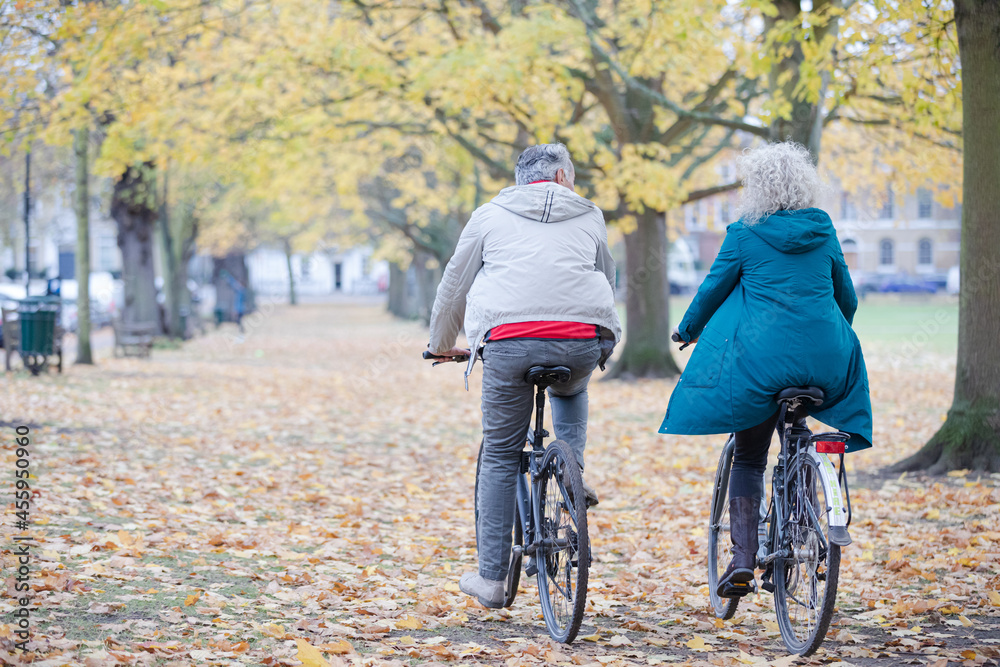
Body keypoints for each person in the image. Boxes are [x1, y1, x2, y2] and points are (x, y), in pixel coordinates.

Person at [659, 141, 873, 597]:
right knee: (799, 434)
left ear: (758, 188)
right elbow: (847, 298)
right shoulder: (824, 228)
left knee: (751, 453)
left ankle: (741, 560)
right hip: (826, 357)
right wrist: (829, 334)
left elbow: (714, 288)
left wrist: (686, 329)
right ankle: (809, 525)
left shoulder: (743, 233)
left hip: (760, 362)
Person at [427, 143, 621, 609]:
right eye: (570, 176)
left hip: (509, 342)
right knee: (572, 388)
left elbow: (455, 283)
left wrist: (440, 342)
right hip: (581, 339)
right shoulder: (590, 213)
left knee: (499, 453)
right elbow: (607, 274)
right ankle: (572, 469)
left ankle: (493, 580)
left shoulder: (489, 214)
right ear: (559, 176)